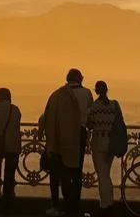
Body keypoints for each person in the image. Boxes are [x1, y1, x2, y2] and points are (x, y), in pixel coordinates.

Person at [41, 69, 94, 217]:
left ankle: (57, 206)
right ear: (78, 78)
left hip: (59, 136)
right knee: (76, 172)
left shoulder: (56, 94)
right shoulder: (86, 93)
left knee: (57, 172)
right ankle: (75, 206)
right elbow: (91, 116)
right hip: (79, 134)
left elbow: (47, 115)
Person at [88, 81, 125, 215]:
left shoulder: (94, 107)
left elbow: (89, 124)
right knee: (106, 174)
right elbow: (120, 122)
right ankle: (108, 202)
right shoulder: (115, 105)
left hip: (98, 142)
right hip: (111, 143)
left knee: (102, 175)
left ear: (96, 91)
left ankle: (105, 205)